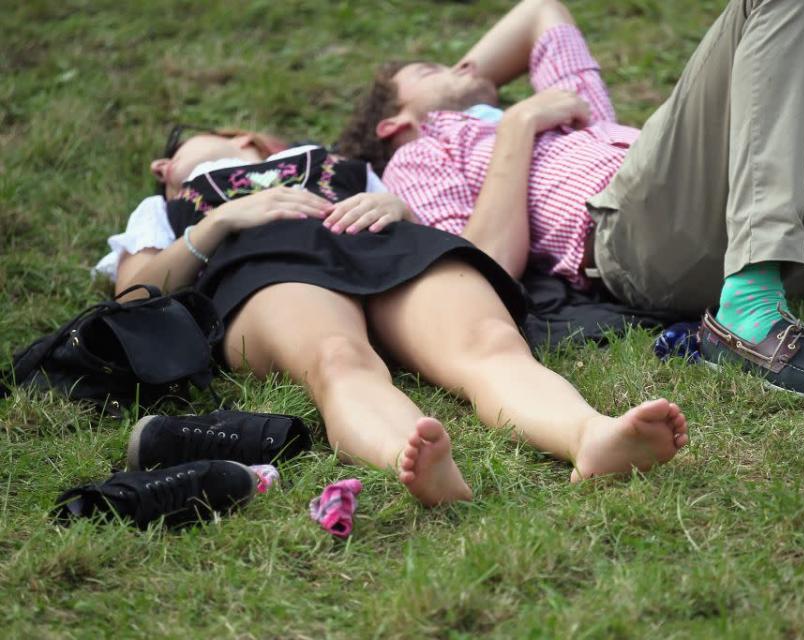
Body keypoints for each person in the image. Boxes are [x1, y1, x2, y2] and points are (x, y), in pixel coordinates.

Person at [339, 0, 804, 402]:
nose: (464, 64)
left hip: (791, 239)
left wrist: (482, 92)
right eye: (429, 70)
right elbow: (485, 267)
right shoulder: (419, 155)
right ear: (395, 123)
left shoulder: (568, 106)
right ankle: (748, 306)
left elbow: (538, 11)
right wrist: (516, 122)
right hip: (638, 242)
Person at [96, 128, 689, 507]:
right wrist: (217, 224)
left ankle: (591, 436)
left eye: (176, 151)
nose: (161, 167)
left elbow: (434, 216)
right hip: (265, 265)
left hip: (381, 240)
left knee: (489, 342)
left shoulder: (343, 168)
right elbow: (137, 297)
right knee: (338, 359)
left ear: (246, 138)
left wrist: (395, 204)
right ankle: (411, 455)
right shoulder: (166, 208)